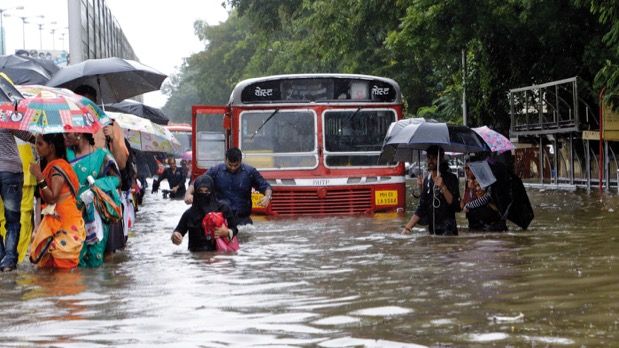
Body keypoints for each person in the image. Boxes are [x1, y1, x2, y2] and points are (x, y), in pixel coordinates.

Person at [29, 134, 86, 269]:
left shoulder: (57, 167)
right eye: (36, 143)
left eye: (40, 144)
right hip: (57, 222)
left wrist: (38, 176)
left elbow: (52, 197)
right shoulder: (53, 166)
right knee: (52, 275)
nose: (36, 147)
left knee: (62, 275)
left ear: (51, 147)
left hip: (65, 224)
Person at [65, 132, 121, 268]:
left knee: (95, 258)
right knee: (72, 257)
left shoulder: (102, 155)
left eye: (67, 134)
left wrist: (94, 187)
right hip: (71, 213)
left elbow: (117, 179)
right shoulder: (65, 155)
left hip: (96, 214)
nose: (64, 137)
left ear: (79, 134)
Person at [184, 148, 272, 225]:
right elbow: (198, 181)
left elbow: (266, 186)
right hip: (220, 219)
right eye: (230, 165)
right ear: (225, 160)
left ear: (240, 161)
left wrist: (267, 197)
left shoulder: (250, 172)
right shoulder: (216, 171)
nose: (233, 168)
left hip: (243, 220)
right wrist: (188, 194)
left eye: (236, 165)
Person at [402, 145, 460, 236]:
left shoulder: (451, 178)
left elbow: (456, 206)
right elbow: (422, 208)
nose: (430, 161)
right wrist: (407, 228)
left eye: (434, 158)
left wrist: (443, 187)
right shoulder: (426, 180)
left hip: (449, 233)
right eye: (429, 158)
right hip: (432, 232)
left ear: (440, 158)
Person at [171, 175, 238, 252]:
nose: (203, 194)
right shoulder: (189, 214)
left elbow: (235, 229)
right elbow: (178, 231)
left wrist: (226, 232)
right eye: (200, 191)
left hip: (218, 257)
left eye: (207, 191)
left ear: (212, 191)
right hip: (196, 258)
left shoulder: (223, 209)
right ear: (195, 192)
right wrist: (175, 237)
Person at [0, 129, 33, 271]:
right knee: (13, 221)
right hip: (10, 171)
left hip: (10, 171)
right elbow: (28, 136)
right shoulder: (6, 115)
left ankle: (3, 256)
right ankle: (9, 260)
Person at [461, 167, 507, 232]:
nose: (477, 188)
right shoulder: (472, 187)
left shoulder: (491, 189)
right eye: (476, 186)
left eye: (479, 185)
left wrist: (468, 205)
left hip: (496, 224)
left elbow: (485, 200)